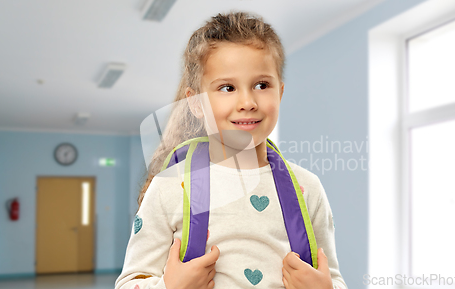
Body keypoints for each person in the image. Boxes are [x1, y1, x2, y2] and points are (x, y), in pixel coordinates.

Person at [115, 10, 348, 289]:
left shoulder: (307, 188)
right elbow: (130, 283)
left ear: (280, 92)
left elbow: (333, 277)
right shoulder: (168, 188)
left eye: (262, 85)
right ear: (196, 103)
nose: (247, 101)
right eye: (227, 88)